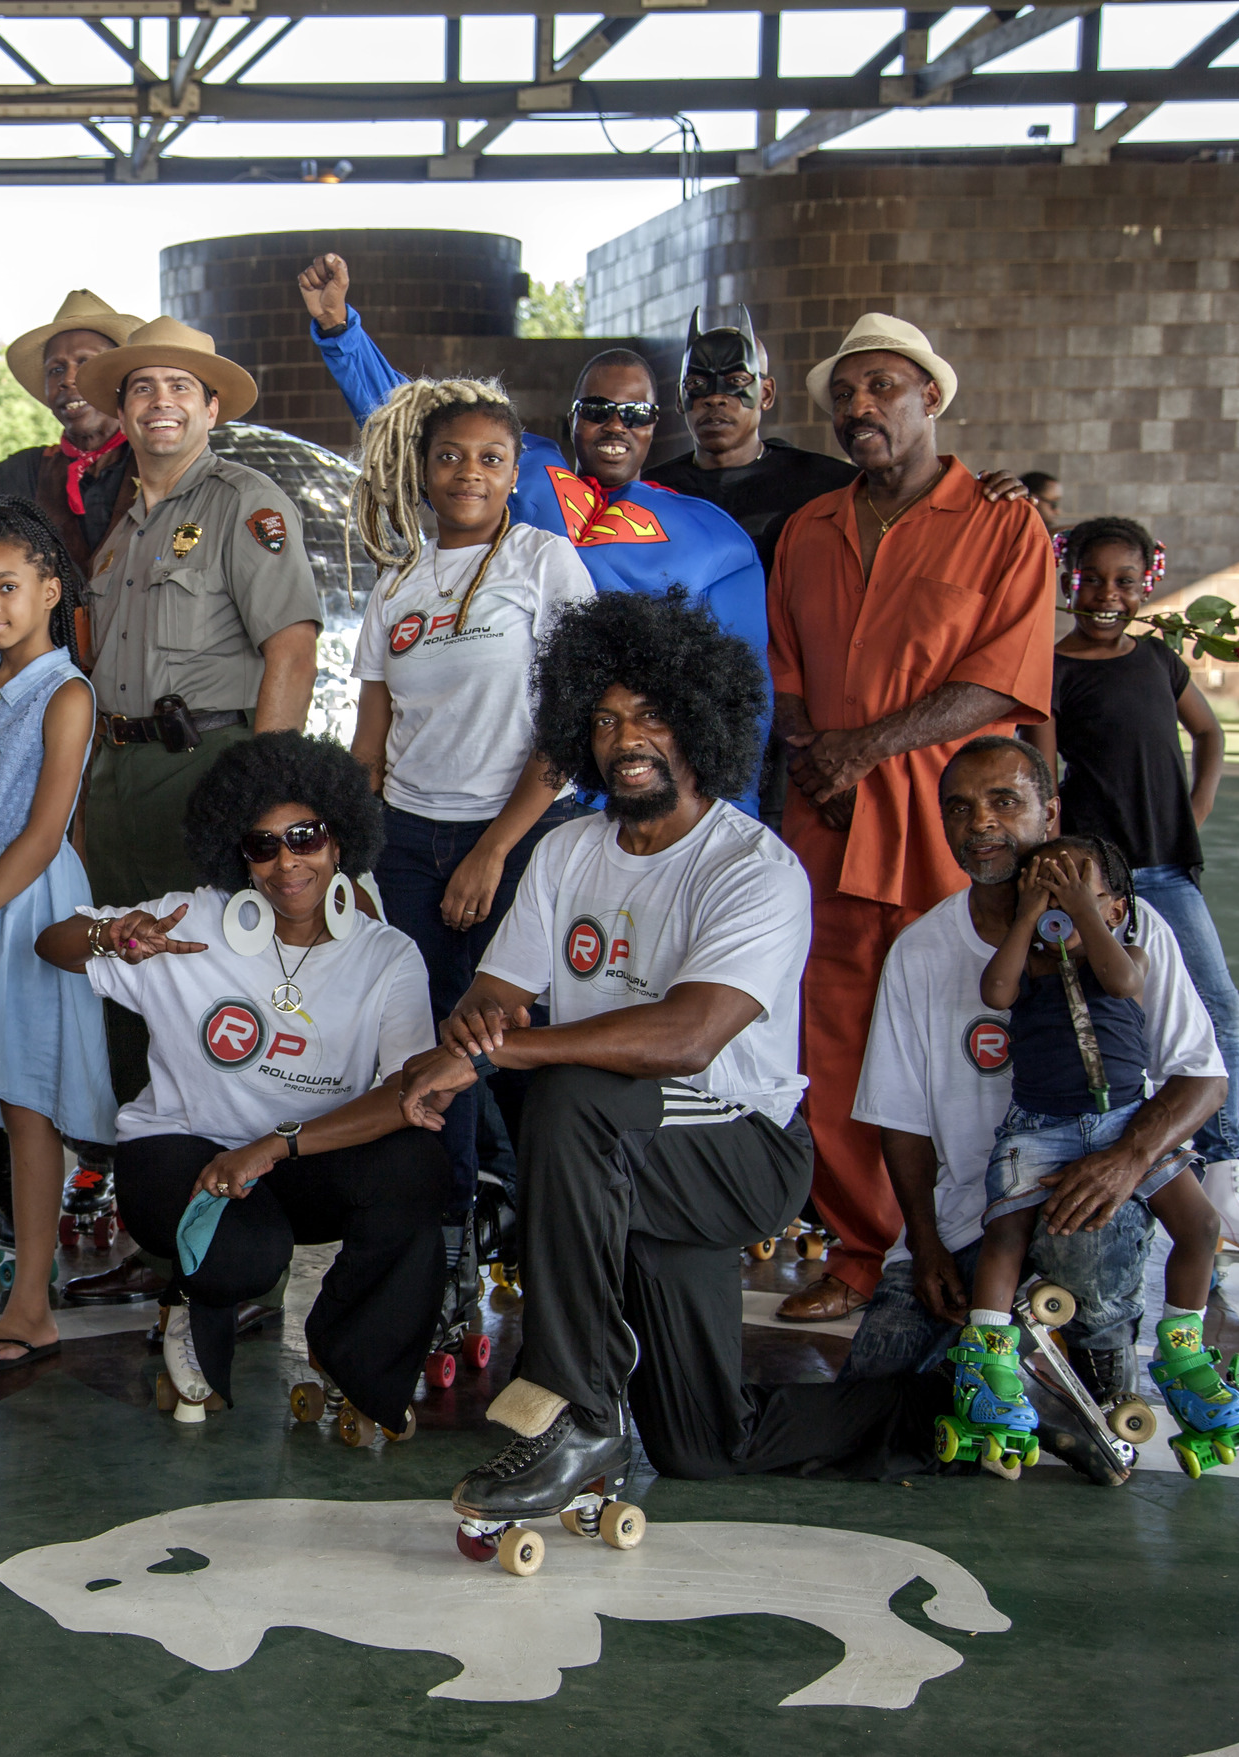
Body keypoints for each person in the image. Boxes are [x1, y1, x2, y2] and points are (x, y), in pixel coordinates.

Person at [398, 587, 814, 1493]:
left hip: (739, 1146)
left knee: (567, 1091)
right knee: (706, 1444)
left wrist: (502, 1050)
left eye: (652, 716)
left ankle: (576, 1410)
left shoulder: (756, 869)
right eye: (604, 718)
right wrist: (466, 1036)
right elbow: (500, 993)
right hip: (633, 1148)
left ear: (701, 722)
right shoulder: (567, 849)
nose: (625, 738)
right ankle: (919, 1405)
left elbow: (690, 1036)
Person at [767, 313, 1058, 1323]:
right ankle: (857, 1250)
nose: (858, 408)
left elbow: (1001, 678)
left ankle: (990, 1248)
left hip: (953, 822)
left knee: (973, 1030)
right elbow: (786, 673)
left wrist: (866, 747)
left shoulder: (1000, 521)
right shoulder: (806, 529)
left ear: (928, 397)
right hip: (829, 817)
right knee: (829, 1031)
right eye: (844, 395)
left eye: (880, 387)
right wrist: (820, 753)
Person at [843, 739, 1232, 1480]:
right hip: (967, 1230)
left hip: (1083, 1204)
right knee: (872, 1398)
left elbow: (1201, 1079)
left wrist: (1128, 1157)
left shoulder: (1129, 924)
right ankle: (1035, 1393)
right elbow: (901, 1119)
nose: (979, 824)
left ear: (1049, 812)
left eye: (1003, 802)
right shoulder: (922, 950)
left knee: (1095, 1207)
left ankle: (1098, 1348)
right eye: (958, 807)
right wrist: (923, 1247)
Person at [43, 732, 445, 1431]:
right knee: (245, 1255)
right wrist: (114, 938)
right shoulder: (194, 921)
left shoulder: (388, 956)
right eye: (263, 845)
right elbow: (52, 945)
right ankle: (191, 1302)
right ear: (241, 857)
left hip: (303, 1156)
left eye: (305, 836)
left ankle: (352, 1357)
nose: (287, 861)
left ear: (340, 840)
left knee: (418, 1167)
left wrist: (277, 1145)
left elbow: (408, 1094)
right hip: (184, 1149)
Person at [297, 256, 769, 815]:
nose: (615, 424)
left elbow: (743, 696)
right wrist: (340, 332)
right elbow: (415, 419)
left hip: (645, 774)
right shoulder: (523, 470)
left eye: (634, 412)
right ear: (573, 418)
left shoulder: (712, 535)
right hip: (515, 779)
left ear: (654, 424)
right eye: (598, 410)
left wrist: (729, 819)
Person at [59, 314, 325, 1308]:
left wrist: (261, 801)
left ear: (211, 407)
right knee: (136, 1006)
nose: (159, 402)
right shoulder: (121, 523)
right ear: (119, 409)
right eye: (140, 388)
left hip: (209, 769)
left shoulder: (245, 504)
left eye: (181, 387)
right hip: (121, 776)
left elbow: (289, 649)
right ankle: (170, 1234)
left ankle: (240, 1253)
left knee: (217, 1006)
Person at [348, 374, 594, 1256]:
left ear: (515, 469)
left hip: (523, 834)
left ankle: (541, 1224)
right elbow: (370, 732)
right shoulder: (398, 581)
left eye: (491, 458)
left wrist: (495, 848)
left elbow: (574, 723)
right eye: (450, 456)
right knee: (423, 1029)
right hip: (409, 837)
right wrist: (354, 847)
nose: (469, 474)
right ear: (423, 469)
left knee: (513, 1032)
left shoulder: (543, 562)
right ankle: (449, 1226)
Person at [1033, 517, 1239, 1276]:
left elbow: (1210, 736)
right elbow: (1049, 785)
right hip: (1108, 886)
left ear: (1146, 586)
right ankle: (1118, 1167)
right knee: (1119, 1020)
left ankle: (1222, 1173)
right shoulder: (1053, 670)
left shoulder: (1158, 658)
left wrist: (1193, 816)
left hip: (1167, 870)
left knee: (1218, 1008)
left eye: (1124, 581)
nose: (1106, 595)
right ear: (1069, 582)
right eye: (1091, 579)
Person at [938, 834, 1239, 1472]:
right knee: (1003, 1231)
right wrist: (1029, 915)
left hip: (1124, 1124)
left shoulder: (1129, 952)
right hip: (1041, 1125)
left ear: (1115, 909)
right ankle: (989, 1363)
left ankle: (1184, 1352)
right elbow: (995, 993)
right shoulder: (1026, 962)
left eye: (1083, 891)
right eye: (1046, 887)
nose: (1063, 901)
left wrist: (1083, 912)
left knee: (1201, 1226)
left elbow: (1121, 979)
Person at [0, 499, 117, 1370]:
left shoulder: (67, 690)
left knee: (28, 1102)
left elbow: (45, 834)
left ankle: (31, 1302)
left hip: (30, 903)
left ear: (51, 588)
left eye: (8, 587)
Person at [641, 307, 856, 574]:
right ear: (679, 399)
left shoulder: (829, 485)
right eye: (697, 383)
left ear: (765, 393)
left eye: (736, 380)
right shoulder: (648, 493)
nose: (715, 397)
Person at [0, 291, 144, 573]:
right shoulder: (16, 475)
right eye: (55, 370)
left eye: (85, 363)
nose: (67, 380)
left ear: (119, 378)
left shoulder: (158, 464)